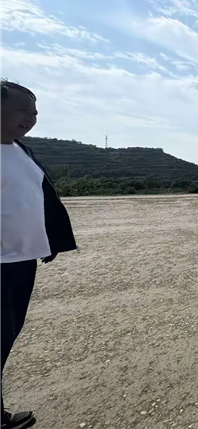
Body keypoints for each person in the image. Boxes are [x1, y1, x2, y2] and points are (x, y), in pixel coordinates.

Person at [1, 80, 77, 429]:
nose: (30, 119)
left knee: (6, 336)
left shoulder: (21, 150)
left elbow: (40, 197)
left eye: (34, 113)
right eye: (22, 111)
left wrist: (50, 240)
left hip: (21, 259)